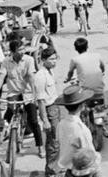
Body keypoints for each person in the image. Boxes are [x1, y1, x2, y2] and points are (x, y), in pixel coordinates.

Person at [0, 38, 43, 158]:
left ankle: (40, 146)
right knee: (9, 112)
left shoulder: (29, 60)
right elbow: (1, 77)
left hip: (27, 92)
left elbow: (31, 77)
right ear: (12, 52)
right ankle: (2, 135)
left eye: (23, 48)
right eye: (19, 50)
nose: (22, 51)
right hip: (14, 91)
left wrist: (34, 94)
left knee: (33, 120)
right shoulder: (6, 61)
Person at [56, 86, 96, 174]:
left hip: (66, 170)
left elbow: (59, 142)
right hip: (80, 171)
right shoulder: (81, 129)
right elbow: (89, 155)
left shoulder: (61, 124)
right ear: (82, 106)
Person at [35, 48, 60, 176]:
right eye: (51, 59)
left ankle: (54, 168)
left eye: (55, 58)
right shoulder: (40, 76)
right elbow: (40, 101)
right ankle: (51, 171)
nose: (54, 61)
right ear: (43, 60)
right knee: (53, 143)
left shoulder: (50, 72)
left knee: (56, 141)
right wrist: (45, 120)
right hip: (49, 111)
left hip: (54, 108)